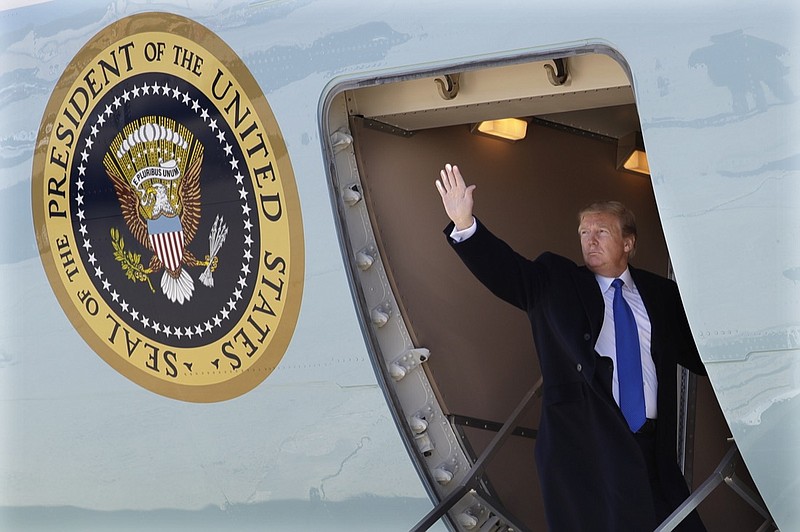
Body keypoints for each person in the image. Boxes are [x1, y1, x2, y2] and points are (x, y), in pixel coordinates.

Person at [435, 163, 707, 531]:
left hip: (652, 450)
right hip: (590, 449)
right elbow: (509, 274)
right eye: (583, 232)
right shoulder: (557, 282)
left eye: (601, 232)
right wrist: (466, 224)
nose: (589, 239)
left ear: (628, 243)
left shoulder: (661, 294)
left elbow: (705, 353)